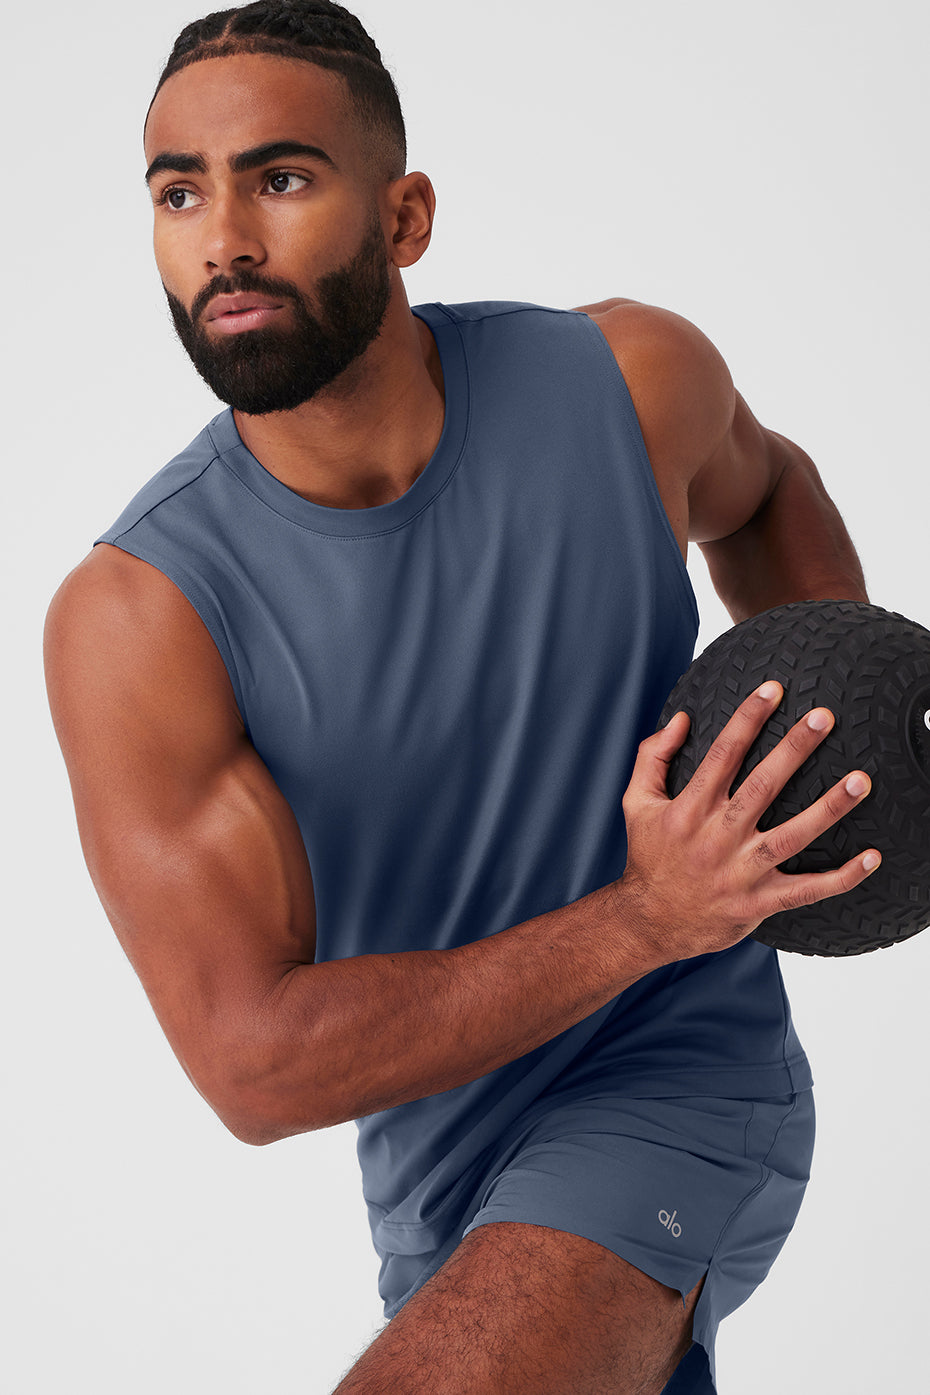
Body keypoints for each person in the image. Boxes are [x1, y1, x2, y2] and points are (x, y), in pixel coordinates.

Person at [43, 3, 881, 1391]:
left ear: (405, 216)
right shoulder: (141, 619)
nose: (224, 239)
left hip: (684, 1074)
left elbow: (766, 489)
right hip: (441, 1186)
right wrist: (643, 913)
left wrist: (845, 744)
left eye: (281, 177)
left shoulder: (628, 382)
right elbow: (253, 1066)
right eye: (178, 193)